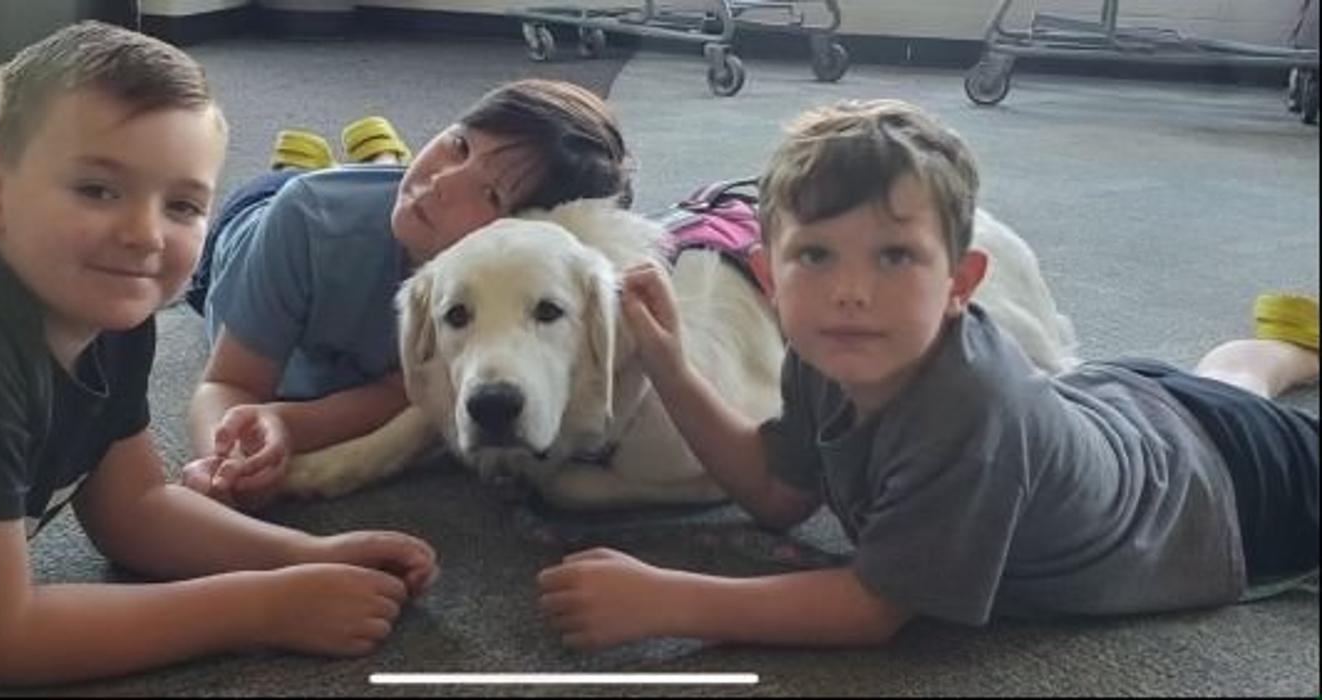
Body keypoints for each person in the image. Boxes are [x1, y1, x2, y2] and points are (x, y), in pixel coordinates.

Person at [537, 99, 1320, 651]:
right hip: (1132, 406)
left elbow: (873, 609)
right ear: (770, 277)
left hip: (1231, 496)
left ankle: (1270, 364)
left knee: (1243, 411)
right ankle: (1279, 351)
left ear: (961, 284)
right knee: (1229, 391)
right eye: (815, 254)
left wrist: (669, 599)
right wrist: (670, 367)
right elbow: (778, 494)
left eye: (895, 256)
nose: (850, 289)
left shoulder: (968, 411)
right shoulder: (824, 350)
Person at [0, 21, 436, 685]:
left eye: (182, 205)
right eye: (97, 190)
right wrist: (258, 607)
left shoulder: (113, 303)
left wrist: (303, 555)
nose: (143, 234)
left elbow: (135, 511)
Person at [185, 78, 633, 510]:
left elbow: (399, 393)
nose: (443, 181)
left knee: (391, 191)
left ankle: (380, 156)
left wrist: (289, 424)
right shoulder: (306, 220)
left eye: (491, 194)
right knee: (298, 183)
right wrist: (229, 459)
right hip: (255, 220)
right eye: (460, 145)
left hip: (380, 212)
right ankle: (340, 162)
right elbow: (228, 383)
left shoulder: (518, 294)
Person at [182, 117, 411, 314]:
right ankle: (381, 166)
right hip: (253, 226)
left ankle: (380, 166)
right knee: (394, 209)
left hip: (251, 223)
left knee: (392, 207)